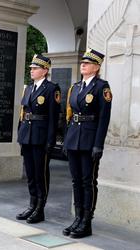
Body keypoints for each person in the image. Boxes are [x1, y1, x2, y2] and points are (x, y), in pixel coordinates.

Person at [63, 48, 112, 238]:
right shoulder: (75, 87)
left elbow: (103, 119)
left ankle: (86, 221)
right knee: (76, 181)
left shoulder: (102, 87)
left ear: (96, 67)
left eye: (88, 63)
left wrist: (98, 145)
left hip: (90, 141)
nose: (83, 64)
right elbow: (69, 117)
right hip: (74, 139)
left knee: (88, 181)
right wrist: (67, 141)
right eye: (82, 62)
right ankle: (77, 218)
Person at [16, 54, 61, 224]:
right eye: (31, 68)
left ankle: (40, 208)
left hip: (41, 137)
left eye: (35, 69)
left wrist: (51, 141)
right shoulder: (28, 88)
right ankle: (32, 204)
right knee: (30, 173)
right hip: (27, 135)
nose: (32, 71)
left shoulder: (51, 89)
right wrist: (20, 133)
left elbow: (53, 117)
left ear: (45, 71)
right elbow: (23, 113)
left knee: (40, 173)